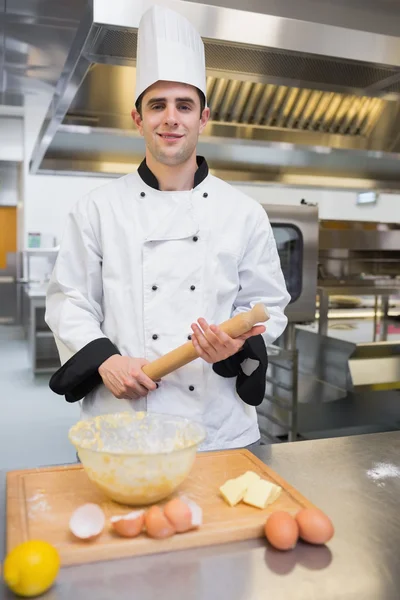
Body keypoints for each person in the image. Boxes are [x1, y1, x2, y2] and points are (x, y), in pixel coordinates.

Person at [45, 4, 290, 451]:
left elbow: (267, 306)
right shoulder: (96, 209)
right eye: (157, 105)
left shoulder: (243, 212)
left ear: (203, 118)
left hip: (218, 429)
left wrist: (236, 348)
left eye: (184, 105)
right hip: (122, 424)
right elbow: (70, 301)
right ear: (138, 119)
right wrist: (107, 362)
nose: (171, 118)